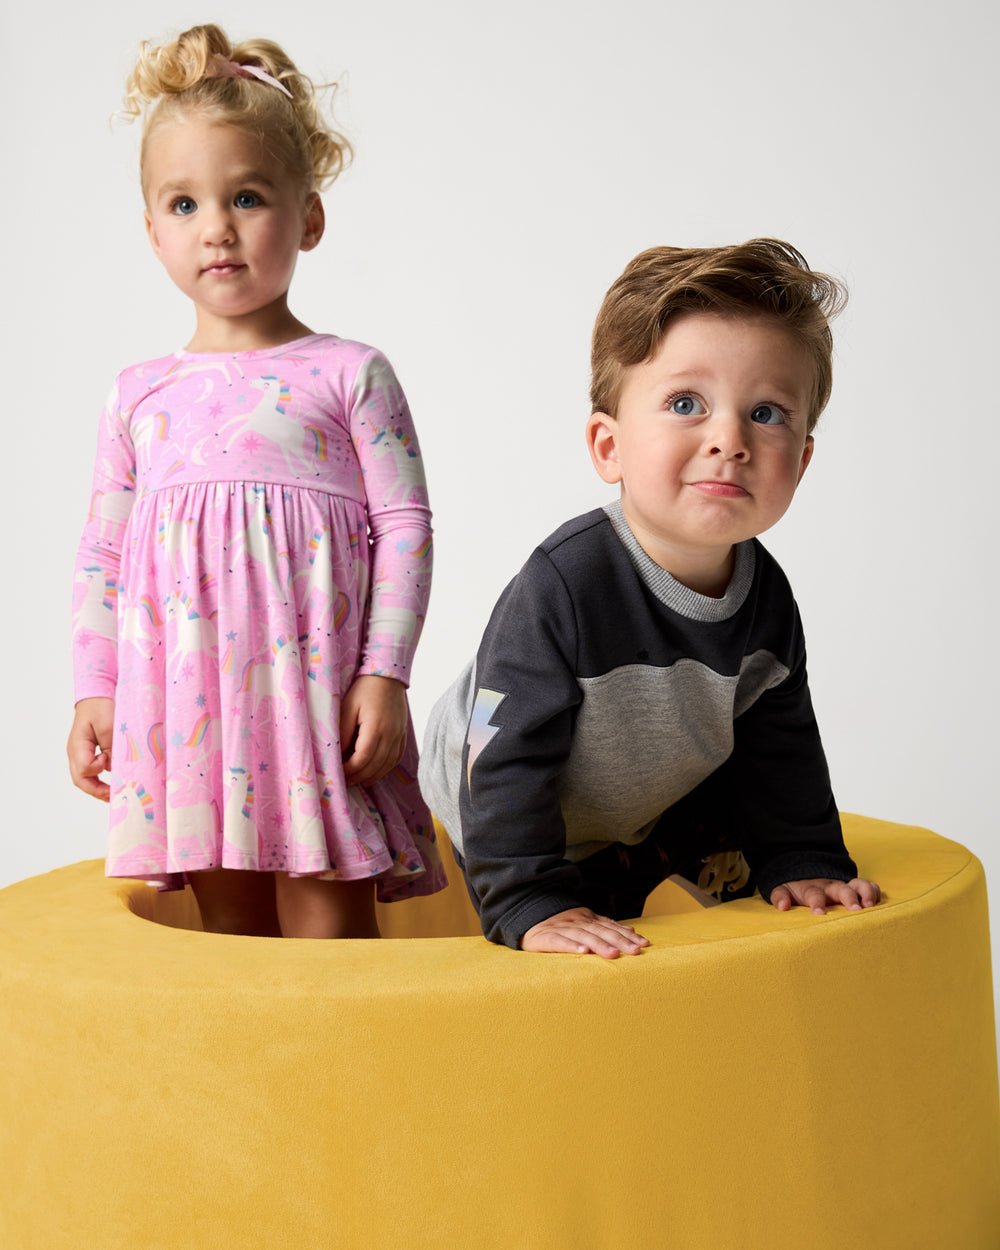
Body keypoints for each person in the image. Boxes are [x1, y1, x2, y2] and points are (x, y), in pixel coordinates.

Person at [67, 24, 445, 938]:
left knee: (332, 948)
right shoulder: (138, 394)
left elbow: (405, 526)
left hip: (310, 706)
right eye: (185, 204)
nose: (218, 229)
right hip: (185, 718)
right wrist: (95, 690)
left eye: (246, 196)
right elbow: (102, 553)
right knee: (231, 955)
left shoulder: (349, 372)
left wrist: (384, 674)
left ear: (308, 216)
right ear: (152, 231)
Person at [419, 239, 881, 956]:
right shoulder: (567, 583)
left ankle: (705, 871)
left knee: (749, 789)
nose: (729, 438)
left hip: (640, 793)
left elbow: (779, 746)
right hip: (492, 795)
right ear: (608, 447)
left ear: (803, 460)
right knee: (564, 918)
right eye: (686, 403)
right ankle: (535, 885)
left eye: (767, 413)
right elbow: (499, 747)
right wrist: (529, 897)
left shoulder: (768, 599)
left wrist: (805, 857)